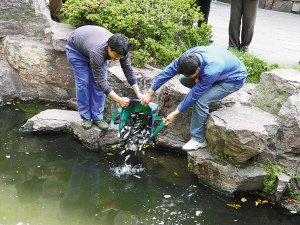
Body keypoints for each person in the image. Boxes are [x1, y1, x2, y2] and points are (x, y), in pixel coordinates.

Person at [140, 46, 248, 151]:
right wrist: (150, 92)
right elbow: (167, 72)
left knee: (201, 100)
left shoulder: (211, 70)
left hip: (233, 79)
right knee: (184, 79)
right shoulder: (187, 57)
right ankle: (208, 87)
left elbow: (194, 94)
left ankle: (199, 139)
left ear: (198, 69)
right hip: (219, 72)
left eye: (191, 74)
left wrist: (174, 113)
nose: (187, 76)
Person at [66, 25, 142, 130]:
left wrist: (138, 93)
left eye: (120, 57)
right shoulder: (97, 52)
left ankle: (98, 117)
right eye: (116, 56)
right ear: (109, 48)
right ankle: (86, 117)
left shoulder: (123, 49)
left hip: (91, 44)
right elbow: (100, 82)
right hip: (77, 50)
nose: (117, 59)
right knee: (83, 83)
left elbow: (128, 69)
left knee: (97, 88)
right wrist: (118, 99)